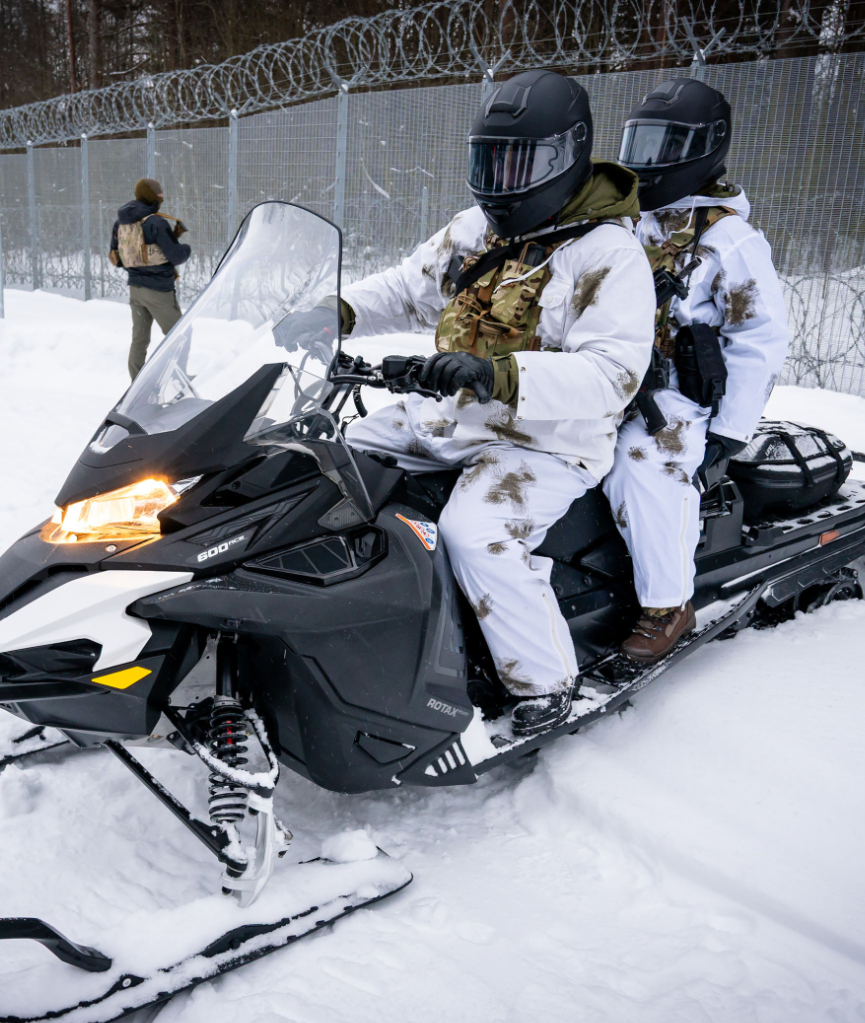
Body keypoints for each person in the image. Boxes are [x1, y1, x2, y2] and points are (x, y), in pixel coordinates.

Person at [278, 70, 655, 738]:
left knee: (475, 533)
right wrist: (339, 311)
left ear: (569, 157)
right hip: (450, 418)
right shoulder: (476, 230)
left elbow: (611, 375)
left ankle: (546, 682)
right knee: (326, 465)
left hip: (541, 442)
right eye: (490, 161)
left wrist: (499, 374)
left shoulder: (608, 253)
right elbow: (405, 288)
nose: (504, 181)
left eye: (523, 163)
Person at [602, 77, 790, 661]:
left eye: (667, 146)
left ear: (705, 150)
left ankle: (667, 604)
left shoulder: (728, 239)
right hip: (604, 377)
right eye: (641, 144)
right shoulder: (629, 221)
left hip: (673, 398)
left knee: (642, 466)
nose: (649, 163)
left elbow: (759, 337)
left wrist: (730, 430)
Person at [110, 177, 191, 379]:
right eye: (159, 194)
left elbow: (117, 258)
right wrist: (186, 248)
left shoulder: (121, 223)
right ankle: (175, 380)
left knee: (139, 340)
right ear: (153, 197)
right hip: (158, 292)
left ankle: (136, 384)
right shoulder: (156, 222)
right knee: (180, 335)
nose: (161, 197)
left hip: (135, 290)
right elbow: (176, 256)